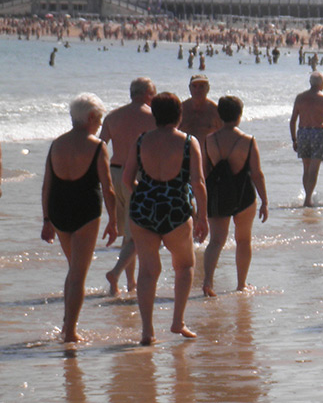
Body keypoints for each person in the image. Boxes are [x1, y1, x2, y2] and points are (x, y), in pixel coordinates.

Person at [122, 92, 208, 345]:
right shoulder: (188, 142)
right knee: (184, 266)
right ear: (179, 116)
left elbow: (127, 179)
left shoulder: (140, 141)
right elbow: (198, 182)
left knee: (148, 271)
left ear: (154, 116)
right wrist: (202, 216)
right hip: (176, 209)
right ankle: (177, 321)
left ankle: (147, 331)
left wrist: (144, 195)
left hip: (143, 209)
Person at [41, 93, 117, 343]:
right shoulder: (97, 146)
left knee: (74, 270)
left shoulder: (57, 144)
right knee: (78, 274)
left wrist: (46, 220)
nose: (100, 124)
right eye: (100, 119)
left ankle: (66, 323)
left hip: (58, 210)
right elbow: (108, 187)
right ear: (92, 118)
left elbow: (47, 186)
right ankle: (70, 331)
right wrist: (113, 221)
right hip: (86, 211)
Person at [202, 96, 268, 297]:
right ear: (240, 115)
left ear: (219, 115)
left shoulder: (209, 140)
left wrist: (202, 201)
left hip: (217, 193)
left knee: (215, 241)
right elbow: (256, 173)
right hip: (243, 194)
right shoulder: (247, 141)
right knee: (243, 240)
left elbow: (204, 172)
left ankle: (208, 282)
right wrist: (265, 200)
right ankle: (241, 284)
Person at [99, 77, 156, 295]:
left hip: (114, 172)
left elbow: (100, 146)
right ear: (148, 95)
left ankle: (130, 282)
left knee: (127, 232)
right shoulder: (153, 117)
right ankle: (115, 273)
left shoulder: (113, 116)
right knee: (138, 232)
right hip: (138, 176)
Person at [289, 71, 323, 207]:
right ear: (321, 84)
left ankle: (307, 196)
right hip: (318, 132)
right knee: (314, 168)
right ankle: (308, 199)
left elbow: (293, 120)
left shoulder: (300, 98)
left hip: (303, 132)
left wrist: (294, 138)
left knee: (306, 168)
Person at [181, 74, 221, 141]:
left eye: (201, 86)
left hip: (207, 151)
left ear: (208, 88)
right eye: (194, 86)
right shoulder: (180, 110)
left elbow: (225, 136)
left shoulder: (216, 111)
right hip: (183, 150)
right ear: (189, 88)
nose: (198, 90)